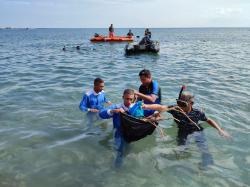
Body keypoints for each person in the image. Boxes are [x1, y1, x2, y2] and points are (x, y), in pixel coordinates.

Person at [142, 88, 231, 168]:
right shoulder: (175, 109)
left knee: (204, 149)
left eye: (183, 104)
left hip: (197, 130)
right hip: (182, 132)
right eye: (179, 102)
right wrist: (146, 106)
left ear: (191, 103)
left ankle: (206, 165)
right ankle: (181, 161)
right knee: (181, 150)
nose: (180, 106)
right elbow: (161, 107)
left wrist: (220, 130)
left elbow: (209, 120)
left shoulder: (197, 112)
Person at [99, 89, 136, 167]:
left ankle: (127, 167)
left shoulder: (136, 108)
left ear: (133, 99)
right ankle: (117, 170)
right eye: (127, 99)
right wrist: (112, 111)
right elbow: (101, 114)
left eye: (131, 99)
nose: (129, 101)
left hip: (131, 134)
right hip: (118, 133)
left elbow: (149, 111)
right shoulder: (116, 107)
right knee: (120, 152)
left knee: (129, 151)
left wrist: (155, 113)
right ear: (123, 97)